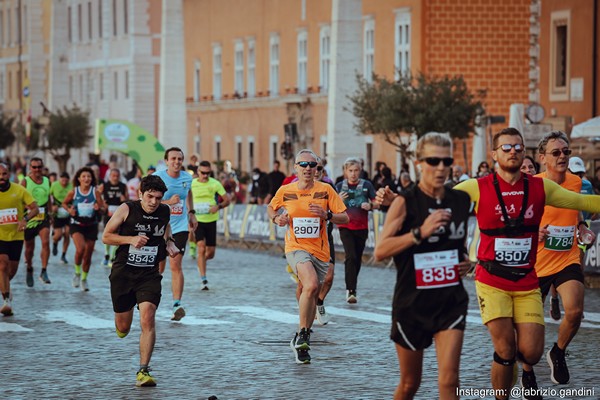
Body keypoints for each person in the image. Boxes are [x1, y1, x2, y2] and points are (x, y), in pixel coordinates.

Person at [376, 127, 600, 400]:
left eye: (518, 147)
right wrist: (398, 202)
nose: (514, 152)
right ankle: (503, 385)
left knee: (527, 353)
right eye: (506, 147)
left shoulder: (540, 187)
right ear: (494, 154)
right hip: (488, 280)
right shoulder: (476, 187)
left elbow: (582, 201)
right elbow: (432, 200)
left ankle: (514, 367)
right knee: (423, 380)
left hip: (520, 281)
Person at [374, 133, 472, 400]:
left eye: (446, 161)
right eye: (433, 160)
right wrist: (420, 233)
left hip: (450, 300)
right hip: (412, 303)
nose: (441, 167)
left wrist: (466, 262)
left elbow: (458, 244)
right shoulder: (405, 202)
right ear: (419, 162)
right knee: (410, 384)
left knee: (450, 381)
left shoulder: (461, 201)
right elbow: (380, 251)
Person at [519, 132, 597, 394]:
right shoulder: (531, 185)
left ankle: (558, 352)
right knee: (530, 329)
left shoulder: (576, 183)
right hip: (536, 263)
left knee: (575, 313)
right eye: (556, 153)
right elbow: (516, 222)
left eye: (566, 151)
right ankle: (527, 374)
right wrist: (533, 231)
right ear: (543, 158)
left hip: (567, 257)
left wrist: (583, 227)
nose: (563, 156)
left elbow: (575, 214)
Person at [268, 149, 348, 364]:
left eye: (312, 165)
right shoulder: (286, 190)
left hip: (320, 251)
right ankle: (303, 333)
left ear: (317, 169)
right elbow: (271, 207)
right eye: (303, 165)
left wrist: (327, 215)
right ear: (295, 168)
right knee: (311, 285)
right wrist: (277, 219)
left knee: (310, 292)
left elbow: (345, 217)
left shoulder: (326, 190)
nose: (308, 169)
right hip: (296, 247)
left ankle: (301, 339)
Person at [102, 174, 179, 387]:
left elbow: (165, 229)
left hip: (149, 275)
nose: (154, 202)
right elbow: (106, 236)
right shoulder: (127, 209)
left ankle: (143, 370)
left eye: (158, 197)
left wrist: (170, 242)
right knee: (123, 327)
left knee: (148, 316)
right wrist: (130, 239)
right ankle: (122, 326)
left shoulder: (164, 210)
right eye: (150, 197)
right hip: (124, 273)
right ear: (140, 194)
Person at [154, 147, 197, 321]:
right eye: (173, 159)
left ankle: (177, 304)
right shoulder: (157, 178)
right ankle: (150, 299)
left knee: (175, 264)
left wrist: (191, 211)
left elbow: (188, 193)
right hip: (159, 228)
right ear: (166, 161)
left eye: (180, 159)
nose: (177, 162)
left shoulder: (187, 178)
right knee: (158, 268)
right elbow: (147, 200)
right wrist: (167, 202)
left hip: (179, 228)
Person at [335, 157, 378, 303]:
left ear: (360, 171)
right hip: (345, 225)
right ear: (345, 171)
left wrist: (371, 206)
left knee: (357, 258)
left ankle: (352, 285)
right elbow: (330, 206)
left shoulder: (367, 185)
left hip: (362, 226)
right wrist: (337, 200)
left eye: (356, 170)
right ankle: (351, 290)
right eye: (350, 171)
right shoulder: (340, 186)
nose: (353, 174)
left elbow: (377, 202)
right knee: (351, 255)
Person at [0, 163, 39, 316]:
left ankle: (5, 287)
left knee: (11, 270)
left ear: (8, 174)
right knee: (2, 265)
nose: (1, 178)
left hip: (16, 235)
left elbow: (34, 208)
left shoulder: (19, 190)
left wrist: (25, 219)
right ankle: (6, 300)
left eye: (4, 174)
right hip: (0, 236)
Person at [62, 167, 106, 292]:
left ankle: (84, 279)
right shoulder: (74, 192)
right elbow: (64, 203)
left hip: (91, 225)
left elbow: (102, 208)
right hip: (77, 224)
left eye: (89, 177)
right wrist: (69, 210)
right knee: (80, 249)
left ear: (92, 179)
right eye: (84, 176)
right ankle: (77, 272)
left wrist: (98, 208)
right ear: (79, 179)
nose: (86, 179)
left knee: (88, 254)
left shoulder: (95, 192)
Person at [191, 161, 230, 290]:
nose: (205, 175)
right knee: (201, 247)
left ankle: (201, 262)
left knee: (211, 253)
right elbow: (185, 198)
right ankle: (204, 279)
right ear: (198, 172)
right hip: (197, 220)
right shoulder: (192, 184)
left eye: (208, 173)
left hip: (211, 220)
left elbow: (227, 200)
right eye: (203, 173)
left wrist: (218, 206)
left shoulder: (215, 183)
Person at [21, 157, 52, 286]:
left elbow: (48, 198)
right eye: (34, 167)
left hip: (43, 217)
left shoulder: (46, 181)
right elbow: (20, 199)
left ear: (42, 168)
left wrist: (51, 213)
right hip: (29, 219)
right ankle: (29, 268)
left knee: (45, 242)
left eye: (39, 167)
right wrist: (28, 207)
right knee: (29, 248)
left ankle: (44, 271)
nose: (37, 170)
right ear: (30, 168)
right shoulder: (25, 182)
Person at [101, 168, 129, 267]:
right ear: (110, 176)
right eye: (113, 176)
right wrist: (103, 205)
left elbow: (127, 199)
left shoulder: (123, 186)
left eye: (117, 176)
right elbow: (98, 196)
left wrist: (124, 199)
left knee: (117, 234)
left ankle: (112, 258)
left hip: (119, 213)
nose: (115, 178)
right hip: (108, 212)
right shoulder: (104, 185)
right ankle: (106, 254)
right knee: (108, 233)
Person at [50, 172, 73, 265]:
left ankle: (64, 254)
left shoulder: (71, 186)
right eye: (62, 180)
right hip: (58, 213)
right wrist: (52, 206)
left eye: (66, 180)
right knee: (58, 235)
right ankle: (55, 243)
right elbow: (50, 196)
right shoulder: (54, 185)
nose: (64, 182)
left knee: (67, 233)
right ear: (59, 179)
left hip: (68, 212)